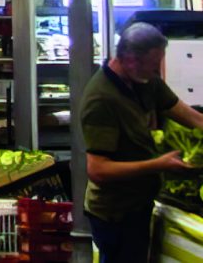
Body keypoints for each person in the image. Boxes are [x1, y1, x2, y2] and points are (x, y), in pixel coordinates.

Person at [82, 22, 203, 263]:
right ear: (129, 59)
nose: (157, 70)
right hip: (114, 212)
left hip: (140, 202)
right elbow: (98, 170)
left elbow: (187, 114)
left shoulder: (146, 80)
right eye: (153, 64)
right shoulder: (101, 100)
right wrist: (159, 164)